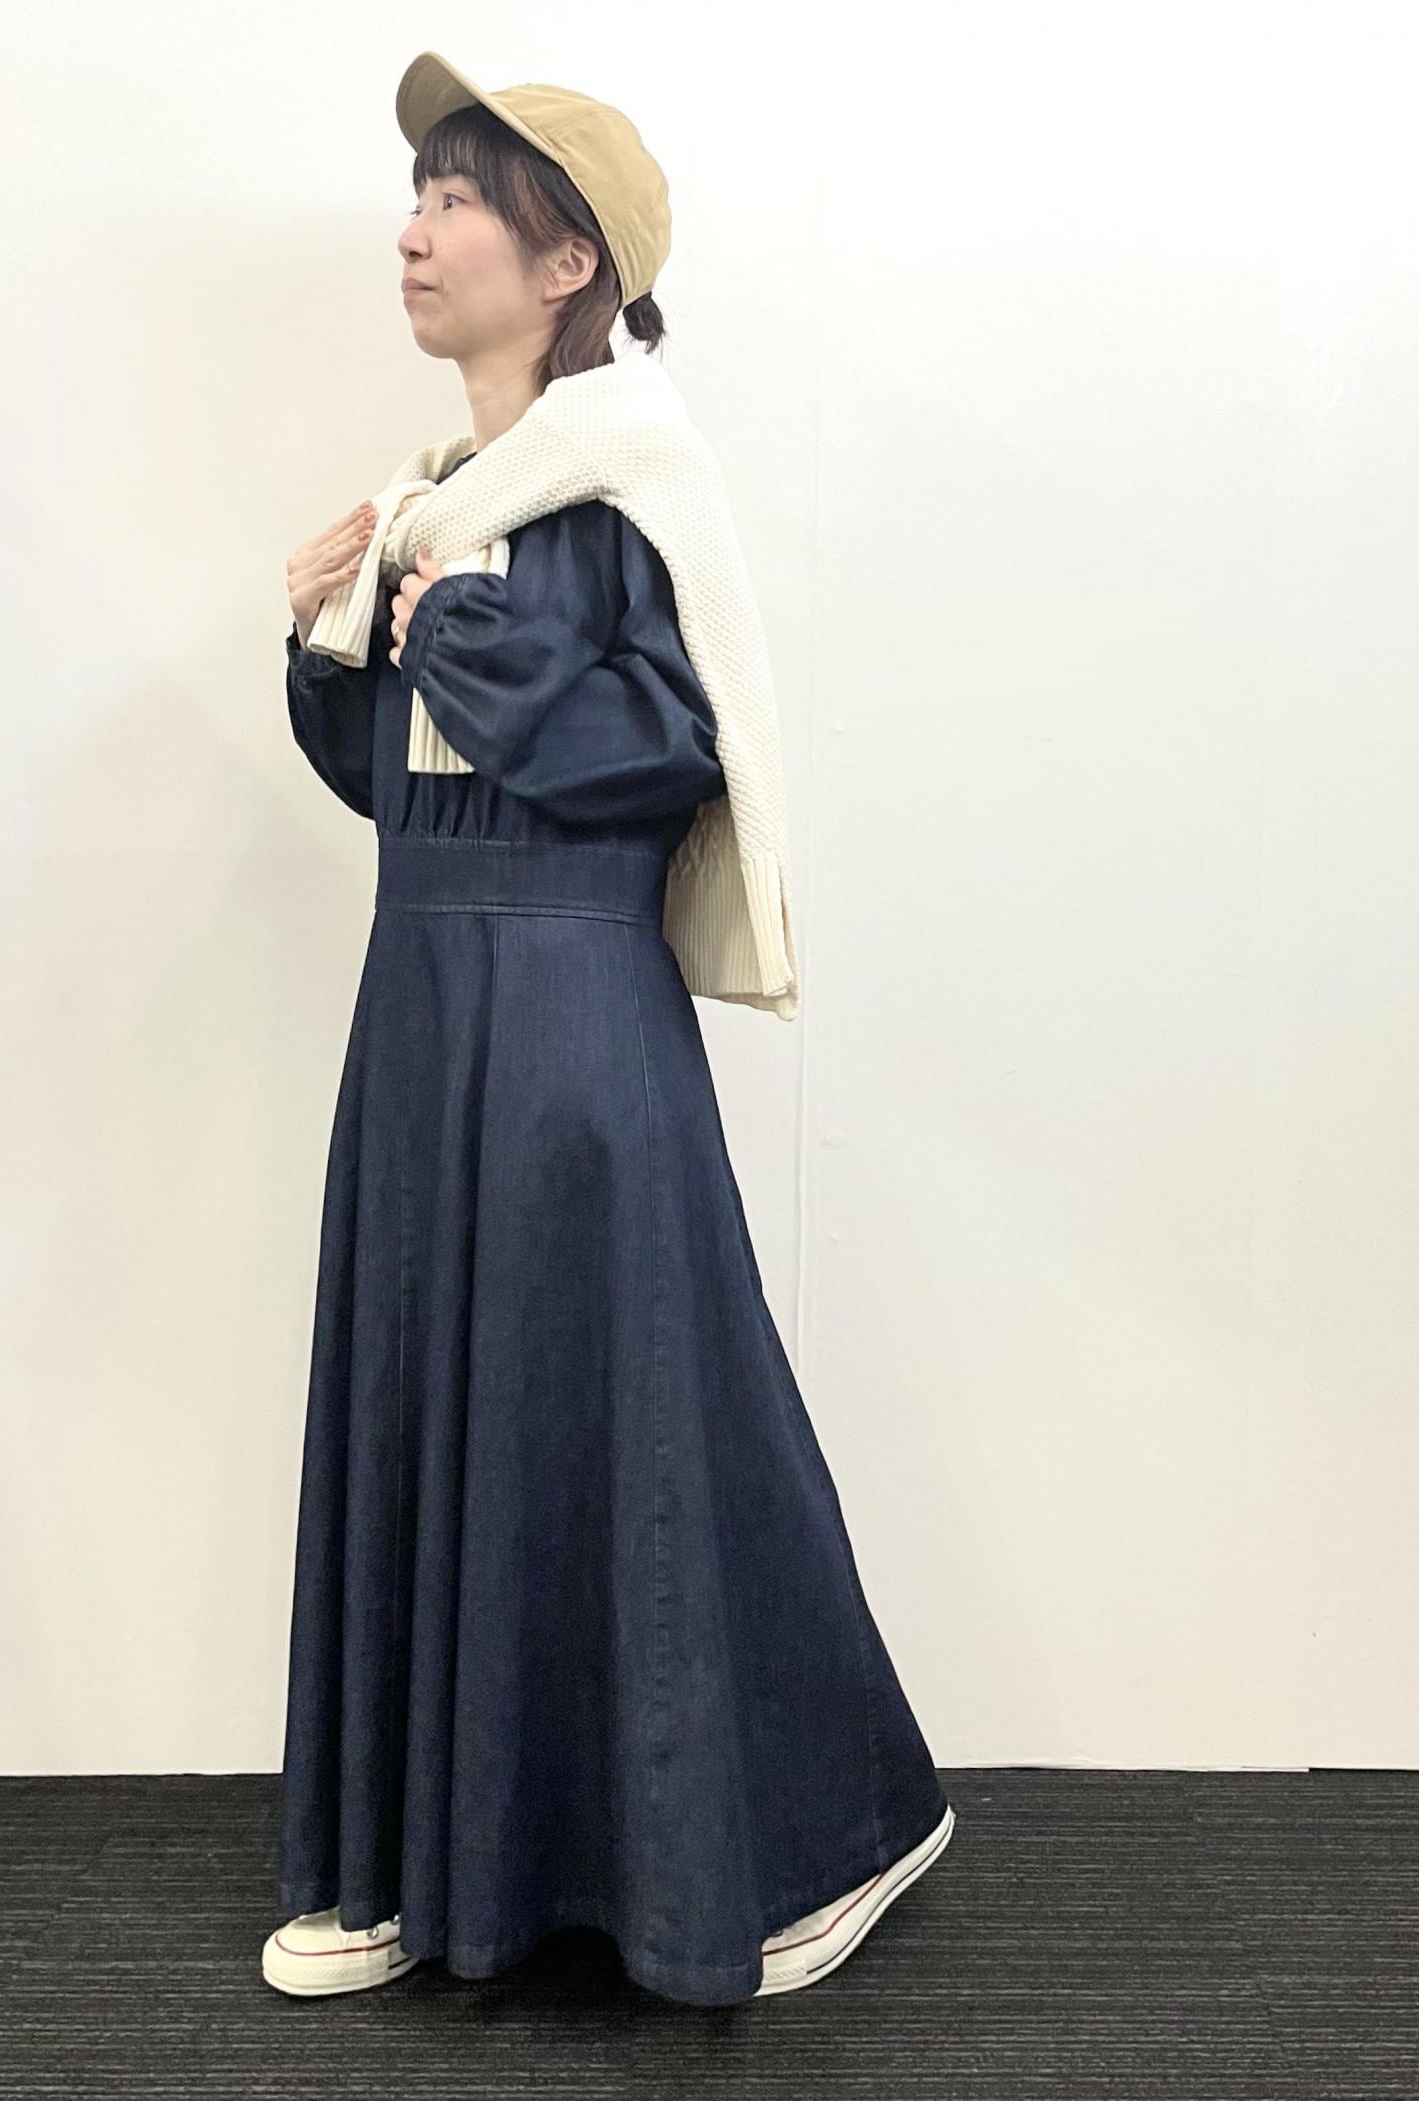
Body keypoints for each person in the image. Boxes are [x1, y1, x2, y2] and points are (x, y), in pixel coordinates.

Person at [262, 55, 953, 2009]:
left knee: (631, 1418)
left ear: (567, 260)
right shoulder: (431, 505)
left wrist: (450, 633)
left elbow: (671, 751)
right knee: (426, 1398)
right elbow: (402, 786)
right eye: (416, 194)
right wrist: (326, 634)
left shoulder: (637, 482)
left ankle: (829, 1828)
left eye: (455, 199)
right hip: (421, 1006)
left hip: (575, 1010)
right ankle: (410, 1860)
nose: (413, 231)